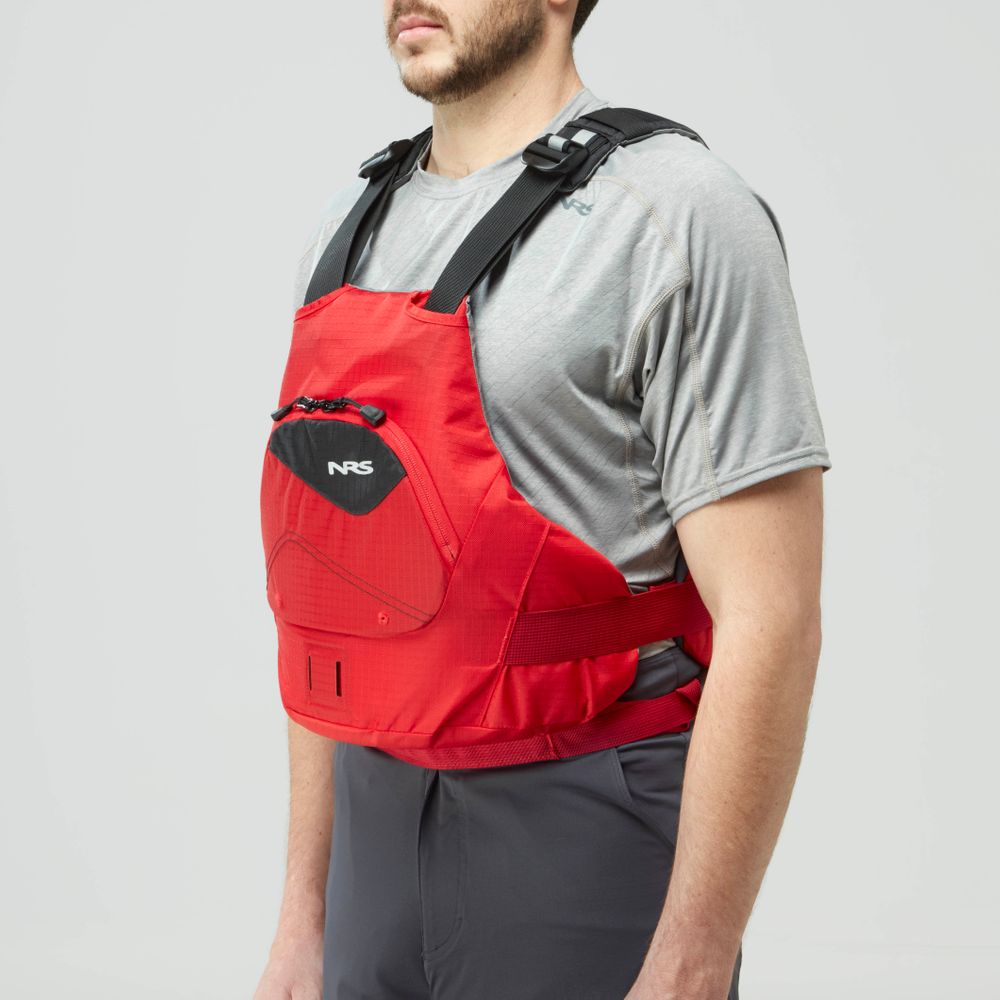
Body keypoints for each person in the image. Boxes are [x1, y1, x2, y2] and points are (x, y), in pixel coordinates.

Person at [254, 1, 831, 997]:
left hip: (584, 812)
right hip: (371, 834)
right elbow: (329, 599)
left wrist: (693, 959)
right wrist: (303, 917)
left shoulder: (674, 213)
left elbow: (771, 619)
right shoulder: (346, 229)